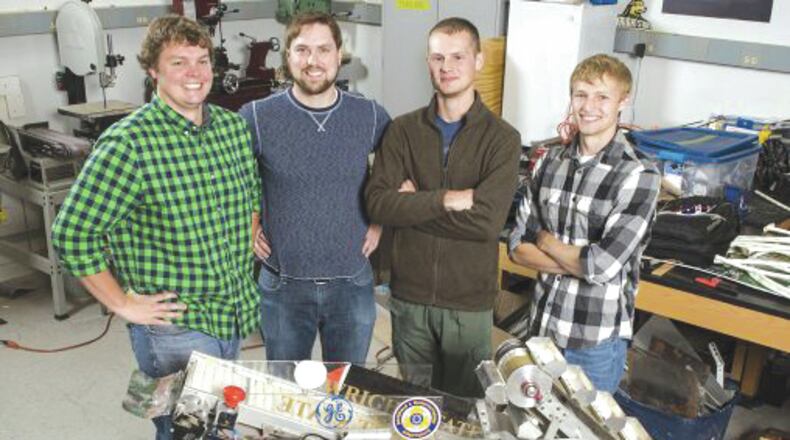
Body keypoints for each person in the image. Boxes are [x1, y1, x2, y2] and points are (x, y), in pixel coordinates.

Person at [51, 16, 260, 439]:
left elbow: (250, 196)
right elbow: (71, 233)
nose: (195, 73)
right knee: (190, 432)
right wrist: (122, 304)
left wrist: (247, 240)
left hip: (233, 312)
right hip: (176, 327)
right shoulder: (129, 143)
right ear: (153, 71)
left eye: (202, 61)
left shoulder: (233, 128)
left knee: (218, 425)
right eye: (178, 62)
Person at [365, 17, 521, 398]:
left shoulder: (502, 139)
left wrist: (412, 206)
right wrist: (447, 199)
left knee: (465, 409)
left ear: (478, 61)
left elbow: (487, 223)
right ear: (428, 62)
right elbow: (379, 204)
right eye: (438, 58)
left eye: (457, 57)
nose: (446, 67)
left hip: (469, 304)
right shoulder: (402, 130)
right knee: (414, 405)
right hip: (409, 299)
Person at [239, 12, 390, 365]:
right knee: (286, 392)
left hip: (351, 282)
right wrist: (249, 222)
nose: (313, 61)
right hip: (284, 285)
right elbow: (231, 179)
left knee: (345, 388)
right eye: (302, 50)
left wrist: (380, 220)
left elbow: (400, 170)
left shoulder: (369, 115)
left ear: (339, 54)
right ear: (288, 55)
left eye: (323, 50)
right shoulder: (257, 116)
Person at [508, 54, 660, 393]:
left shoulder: (639, 174)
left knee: (589, 422)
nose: (588, 106)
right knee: (533, 418)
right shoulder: (548, 162)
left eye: (602, 96)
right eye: (580, 95)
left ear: (623, 101)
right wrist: (580, 262)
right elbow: (517, 248)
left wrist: (546, 242)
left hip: (594, 344)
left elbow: (602, 265)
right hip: (541, 331)